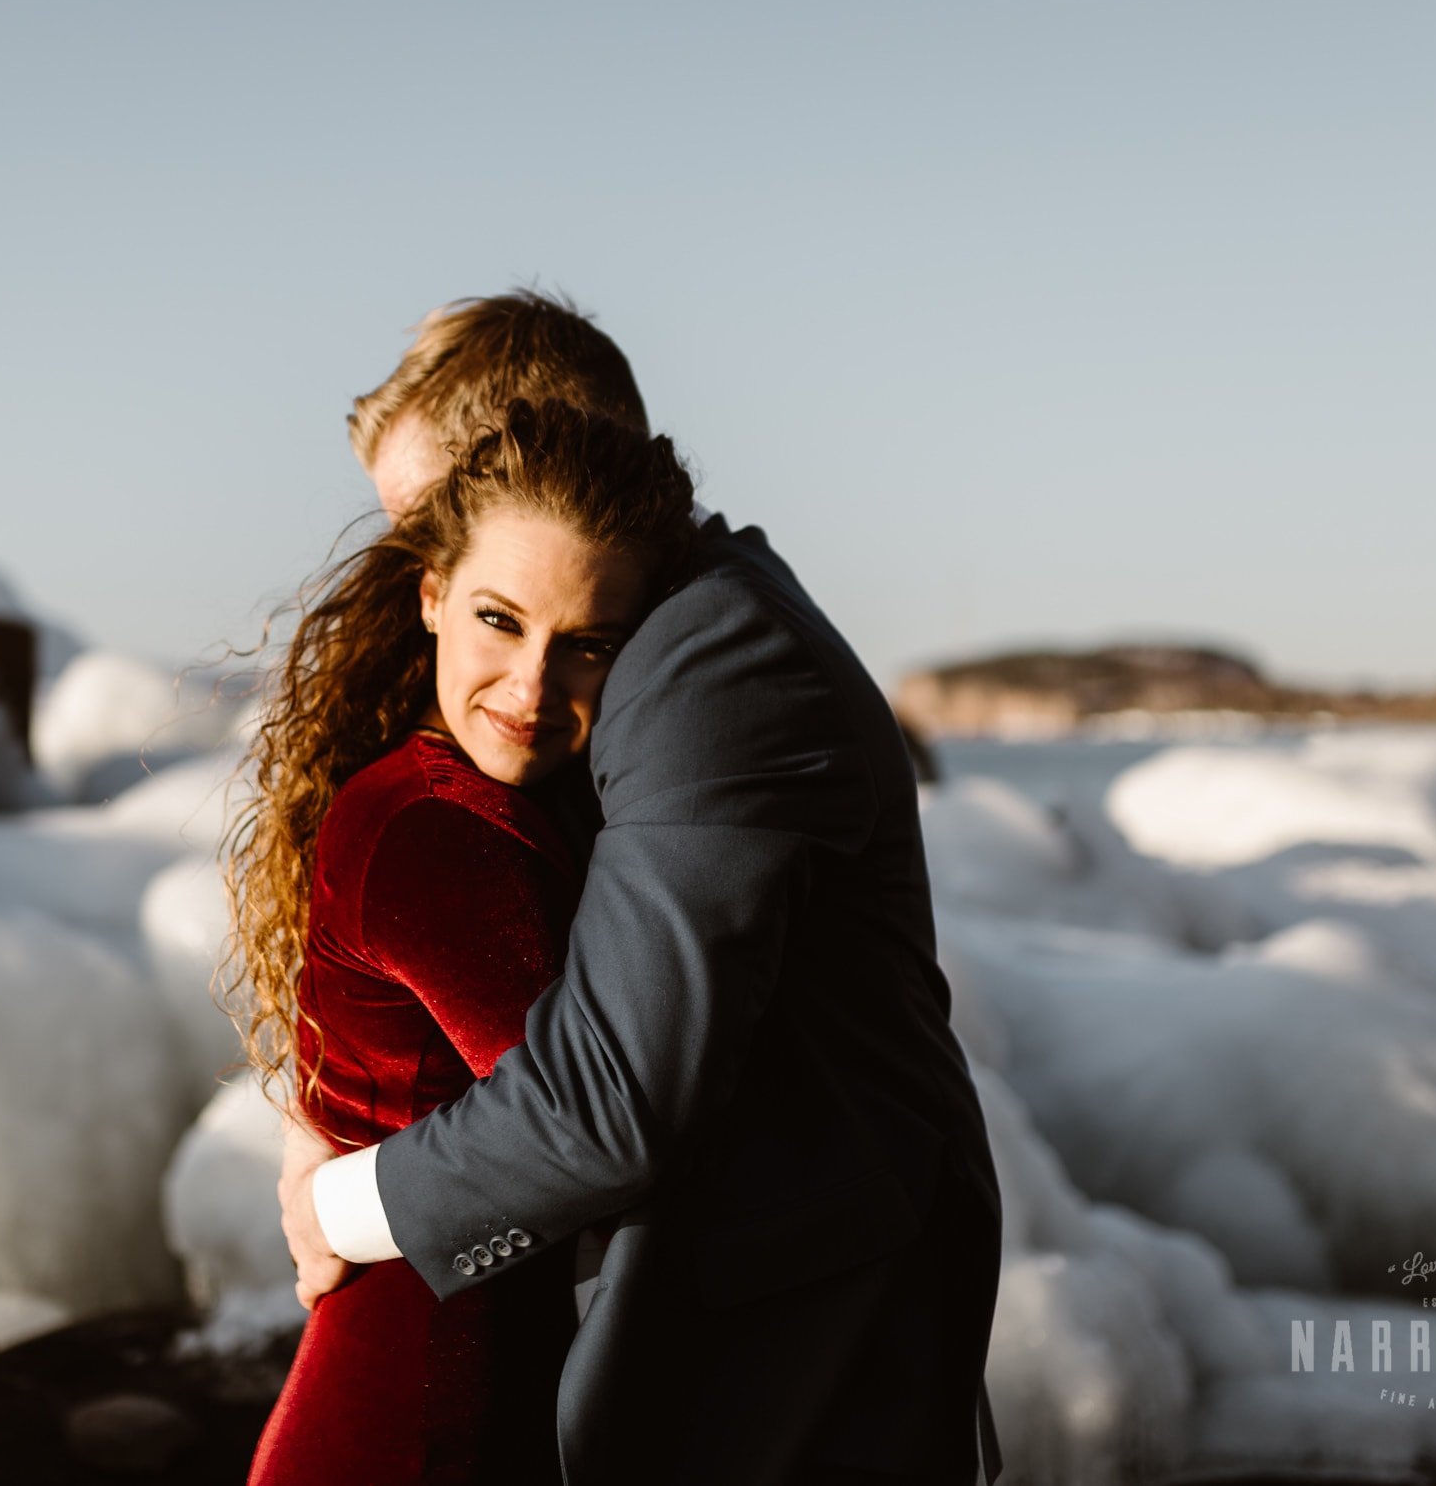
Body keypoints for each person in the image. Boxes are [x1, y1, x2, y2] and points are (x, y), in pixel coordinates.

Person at [279, 291, 1005, 1486]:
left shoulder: (705, 663)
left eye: (424, 516)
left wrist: (344, 1202)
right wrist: (332, 1112)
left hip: (791, 1338)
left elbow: (609, 1099)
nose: (410, 563)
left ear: (541, 460)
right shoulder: (641, 642)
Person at [229, 398, 704, 1485]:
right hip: (415, 1416)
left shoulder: (480, 799)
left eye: (586, 643)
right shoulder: (435, 830)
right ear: (432, 593)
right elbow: (592, 1135)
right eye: (500, 617)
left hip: (454, 1390)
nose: (532, 688)